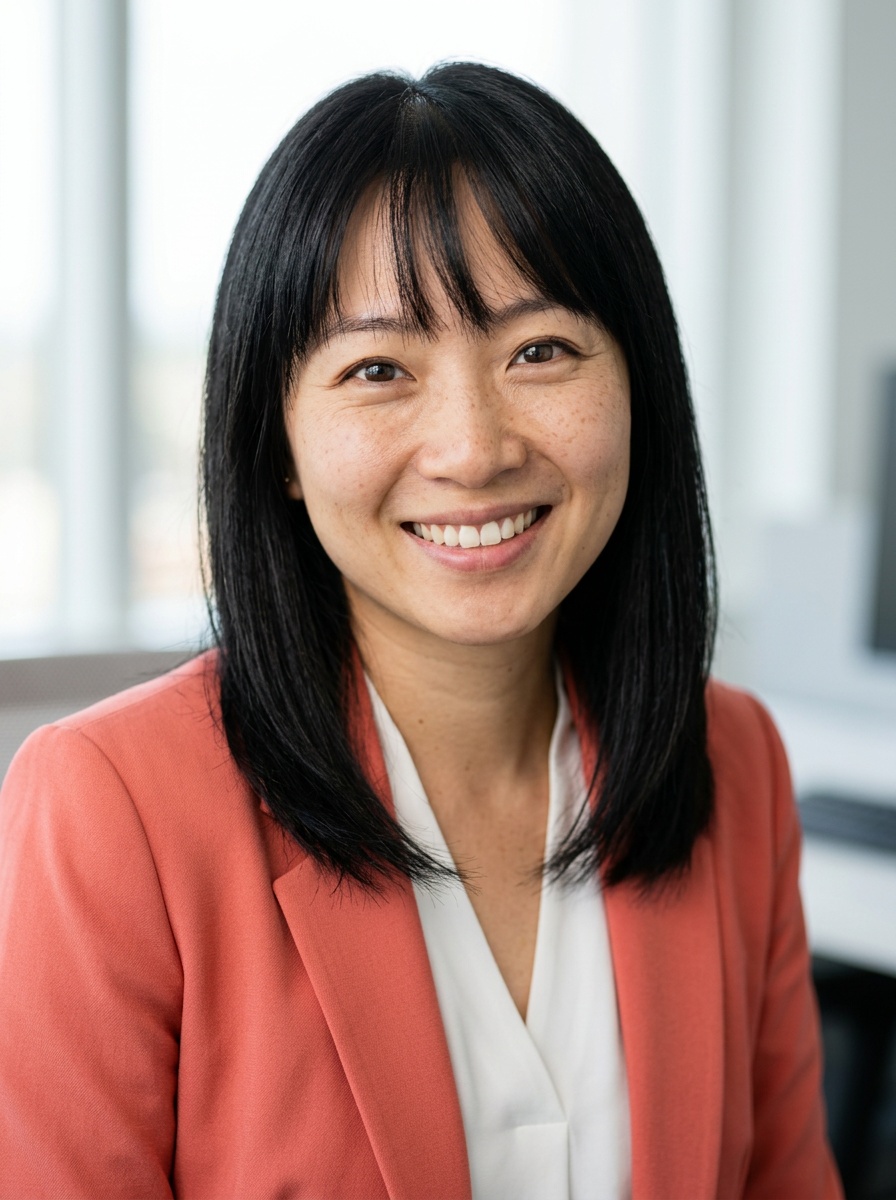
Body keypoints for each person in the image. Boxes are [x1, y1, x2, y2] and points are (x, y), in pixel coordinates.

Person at [0, 63, 842, 1199]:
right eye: (378, 368)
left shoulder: (729, 759)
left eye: (539, 350)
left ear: (639, 384)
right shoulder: (110, 804)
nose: (473, 446)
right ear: (279, 449)